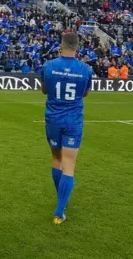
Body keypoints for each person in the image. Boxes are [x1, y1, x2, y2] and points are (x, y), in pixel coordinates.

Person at [40, 32, 93, 226]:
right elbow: (85, 93)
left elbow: (44, 89)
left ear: (61, 45)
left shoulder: (48, 66)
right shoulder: (86, 69)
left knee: (56, 158)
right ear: (77, 47)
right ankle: (59, 210)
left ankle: (61, 200)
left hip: (53, 118)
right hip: (73, 120)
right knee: (69, 163)